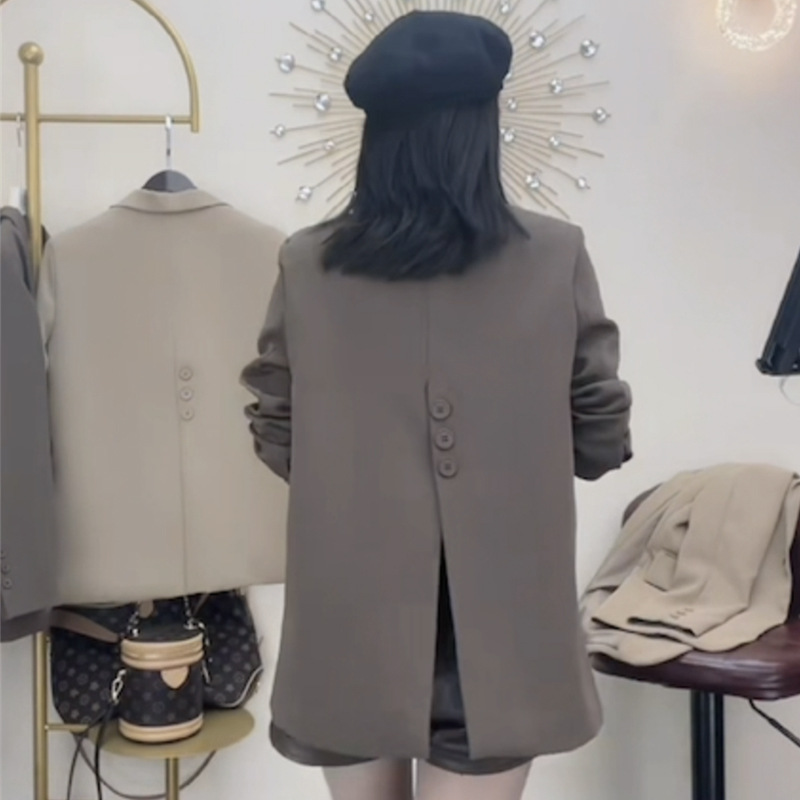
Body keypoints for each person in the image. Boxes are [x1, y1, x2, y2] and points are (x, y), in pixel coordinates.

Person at [242, 11, 632, 800]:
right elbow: (599, 433)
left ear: (375, 136)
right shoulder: (555, 254)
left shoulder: (308, 262)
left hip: (350, 624)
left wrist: (356, 477)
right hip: (503, 636)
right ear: (484, 128)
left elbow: (275, 423)